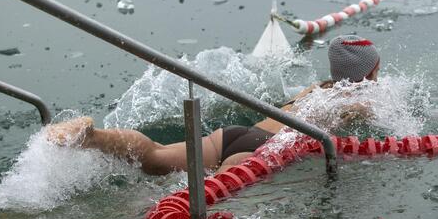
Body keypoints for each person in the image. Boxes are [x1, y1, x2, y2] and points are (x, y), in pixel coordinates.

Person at [47, 35, 380, 175]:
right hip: (263, 150)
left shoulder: (314, 89)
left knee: (156, 156)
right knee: (209, 202)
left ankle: (93, 136)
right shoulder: (355, 100)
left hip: (240, 134)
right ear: (373, 70)